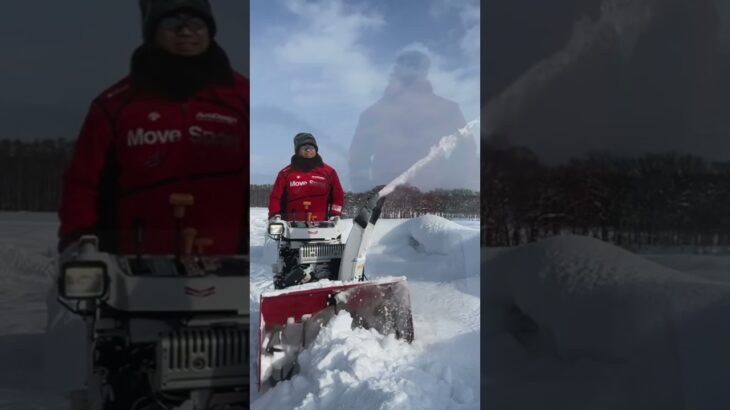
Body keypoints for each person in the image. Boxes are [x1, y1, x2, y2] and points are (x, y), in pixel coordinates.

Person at [58, 0, 249, 255]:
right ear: (152, 31)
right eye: (172, 23)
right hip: (133, 270)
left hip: (232, 268)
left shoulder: (245, 98)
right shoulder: (114, 105)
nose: (186, 32)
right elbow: (83, 183)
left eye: (196, 23)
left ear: (210, 30)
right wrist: (77, 239)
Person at [348, 50, 479, 193]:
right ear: (397, 69)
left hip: (432, 196)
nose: (411, 70)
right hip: (384, 198)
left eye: (416, 66)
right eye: (407, 65)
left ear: (425, 71)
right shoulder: (372, 114)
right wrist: (367, 193)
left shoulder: (448, 110)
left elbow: (465, 149)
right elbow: (358, 158)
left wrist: (448, 187)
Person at [268, 133, 344, 222]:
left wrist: (335, 213)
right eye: (305, 147)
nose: (308, 150)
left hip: (322, 228)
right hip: (290, 229)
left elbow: (338, 196)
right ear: (297, 150)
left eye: (311, 147)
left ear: (316, 149)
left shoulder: (329, 172)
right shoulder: (285, 174)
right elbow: (275, 197)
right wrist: (274, 215)